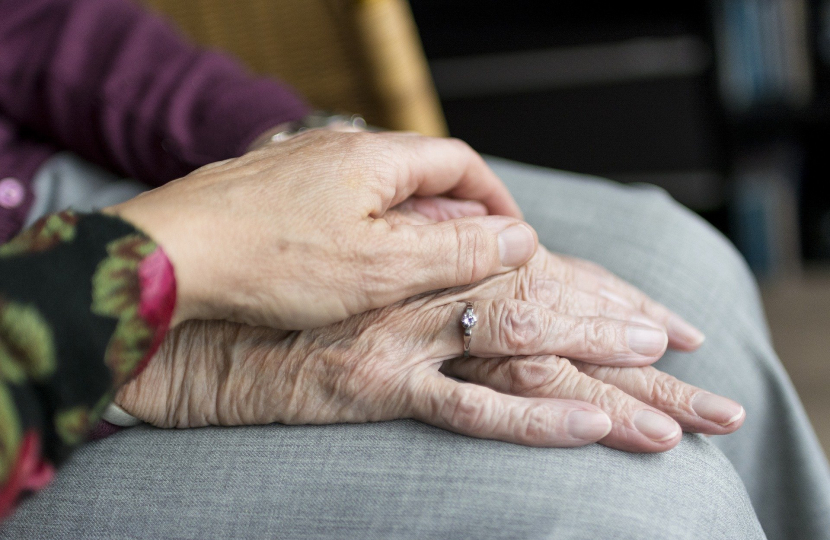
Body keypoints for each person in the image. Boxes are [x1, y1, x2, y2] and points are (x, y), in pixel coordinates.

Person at [0, 0, 828, 538]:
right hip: (31, 386)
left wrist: (291, 154)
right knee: (639, 502)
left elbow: (34, 23)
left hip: (62, 183)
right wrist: (170, 336)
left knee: (677, 269)